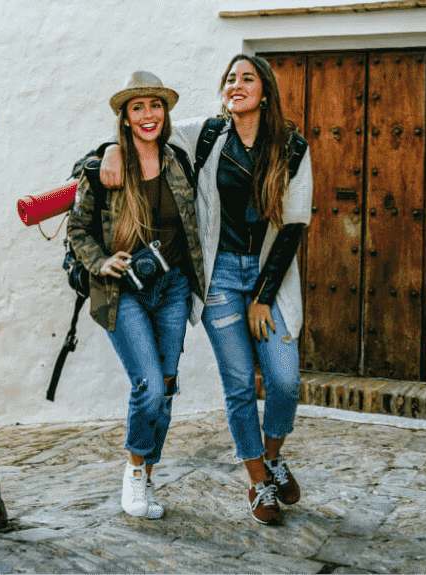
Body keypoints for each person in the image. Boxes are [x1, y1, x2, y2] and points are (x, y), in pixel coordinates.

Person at [99, 55, 313, 526]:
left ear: (265, 91)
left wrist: (262, 296)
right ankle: (258, 483)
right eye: (230, 79)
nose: (236, 85)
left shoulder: (292, 147)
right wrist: (111, 151)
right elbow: (144, 133)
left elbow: (294, 226)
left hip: (268, 279)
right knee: (238, 384)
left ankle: (273, 455)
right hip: (219, 279)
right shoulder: (208, 134)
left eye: (247, 78)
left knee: (284, 381)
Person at [66, 71, 204, 519]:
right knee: (146, 385)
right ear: (125, 117)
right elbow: (78, 229)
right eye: (138, 107)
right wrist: (100, 262)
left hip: (172, 288)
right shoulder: (104, 168)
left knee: (164, 386)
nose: (149, 115)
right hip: (122, 291)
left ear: (166, 113)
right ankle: (133, 472)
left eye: (156, 106)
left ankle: (147, 472)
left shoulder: (180, 161)